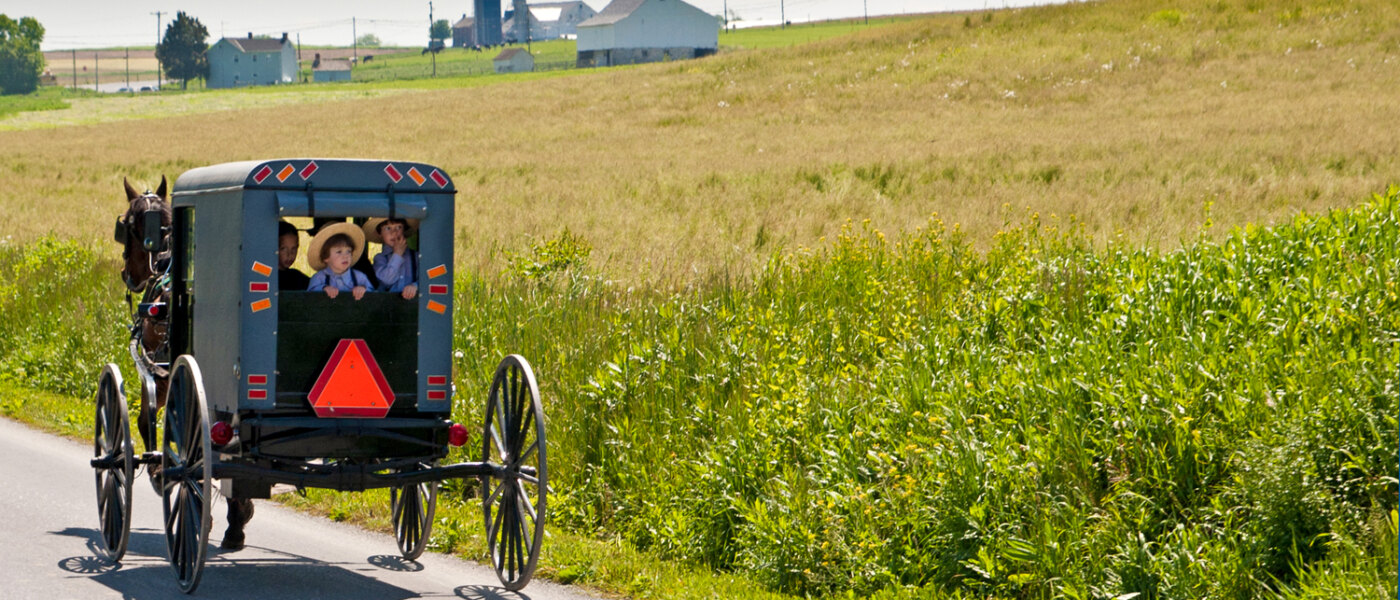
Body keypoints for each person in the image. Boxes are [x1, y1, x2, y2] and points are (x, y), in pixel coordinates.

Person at [306, 222, 372, 300]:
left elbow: (373, 294)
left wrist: (363, 289)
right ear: (326, 257)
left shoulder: (359, 277)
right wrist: (323, 289)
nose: (345, 256)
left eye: (348, 251)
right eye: (339, 252)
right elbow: (309, 297)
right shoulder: (319, 278)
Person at [364, 217, 420, 299]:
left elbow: (427, 279)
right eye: (388, 228)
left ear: (404, 230)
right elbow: (387, 281)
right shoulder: (380, 258)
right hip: (388, 306)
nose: (394, 232)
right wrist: (398, 254)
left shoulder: (416, 256)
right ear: (380, 234)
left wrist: (415, 286)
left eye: (398, 227)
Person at [277, 220, 310, 291]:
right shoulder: (267, 276)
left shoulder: (297, 277)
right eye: (284, 249)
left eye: (294, 249)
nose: (290, 254)